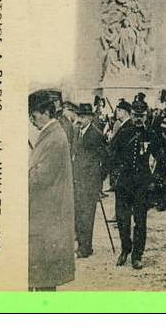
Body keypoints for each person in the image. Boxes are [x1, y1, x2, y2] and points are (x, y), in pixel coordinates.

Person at [28, 90, 75, 291]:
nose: (32, 119)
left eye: (34, 115)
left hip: (49, 214)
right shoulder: (50, 134)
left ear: (46, 112)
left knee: (45, 279)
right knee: (42, 276)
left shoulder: (55, 137)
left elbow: (41, 178)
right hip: (46, 212)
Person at [108, 99, 158, 269]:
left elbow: (161, 156)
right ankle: (125, 249)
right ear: (132, 115)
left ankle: (137, 255)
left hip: (142, 184)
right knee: (122, 219)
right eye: (136, 115)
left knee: (140, 221)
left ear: (146, 116)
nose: (138, 119)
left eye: (142, 116)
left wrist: (155, 178)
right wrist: (114, 173)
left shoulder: (151, 134)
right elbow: (112, 153)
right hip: (124, 183)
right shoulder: (123, 132)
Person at [72, 103, 108, 258]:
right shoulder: (78, 132)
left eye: (82, 117)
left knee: (87, 216)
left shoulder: (96, 134)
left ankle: (85, 248)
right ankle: (82, 245)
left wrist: (98, 178)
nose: (79, 119)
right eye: (78, 116)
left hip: (90, 182)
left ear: (90, 118)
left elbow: (106, 159)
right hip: (78, 181)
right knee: (79, 214)